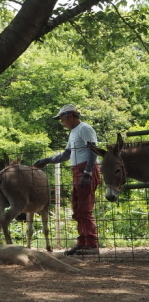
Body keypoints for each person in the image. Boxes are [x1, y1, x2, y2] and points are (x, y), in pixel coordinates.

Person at [33, 104, 100, 255]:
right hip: (77, 169)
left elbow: (93, 149)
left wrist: (88, 172)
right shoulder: (74, 132)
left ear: (69, 116)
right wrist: (47, 160)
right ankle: (82, 242)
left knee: (85, 208)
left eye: (62, 119)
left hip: (85, 169)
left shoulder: (85, 128)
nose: (62, 123)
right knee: (77, 208)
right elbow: (66, 155)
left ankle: (91, 244)